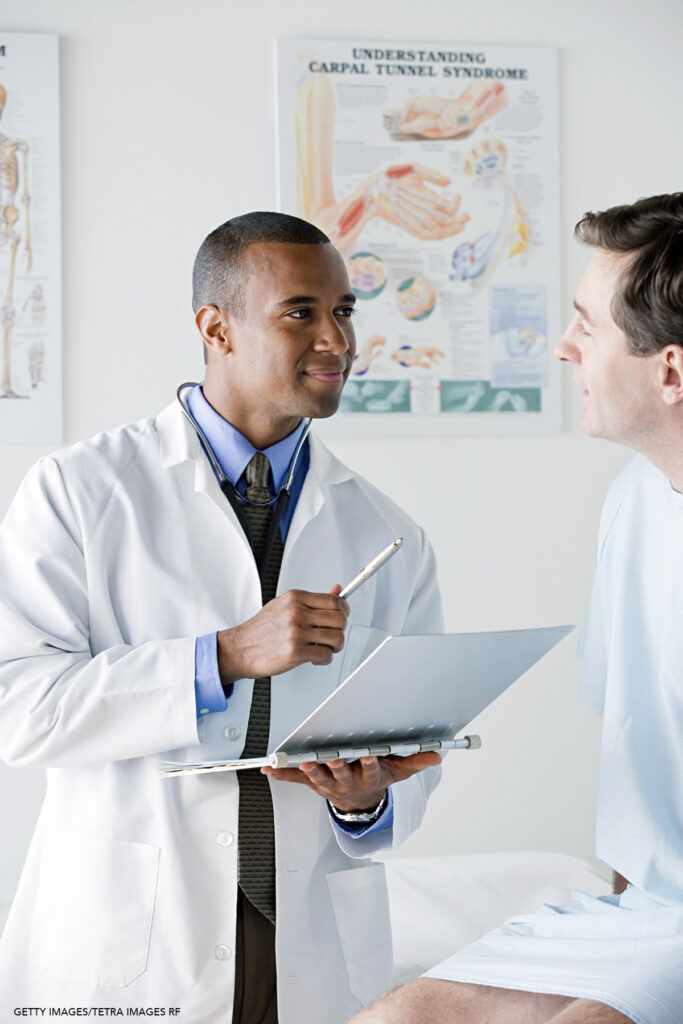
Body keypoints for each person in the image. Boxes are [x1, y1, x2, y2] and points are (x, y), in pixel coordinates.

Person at [0, 212, 444, 1023]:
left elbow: (416, 752)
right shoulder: (80, 491)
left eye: (344, 311)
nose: (336, 340)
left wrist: (365, 800)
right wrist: (222, 658)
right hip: (136, 933)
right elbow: (16, 707)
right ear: (215, 327)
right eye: (300, 312)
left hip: (309, 940)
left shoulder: (388, 531)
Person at [350, 192, 683, 1024]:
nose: (563, 348)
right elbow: (634, 743)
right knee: (397, 1015)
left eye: (586, 326)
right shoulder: (635, 499)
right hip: (654, 910)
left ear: (669, 372)